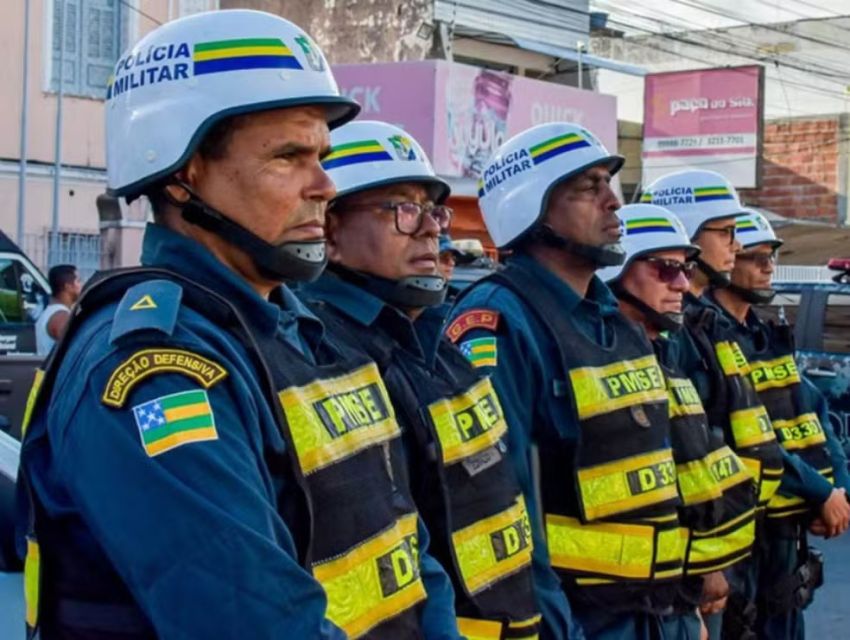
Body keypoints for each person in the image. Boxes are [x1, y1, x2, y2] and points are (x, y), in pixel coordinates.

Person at [17, 11, 459, 640]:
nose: (324, 186)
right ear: (181, 173)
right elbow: (254, 620)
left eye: (322, 157)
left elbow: (412, 554)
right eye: (288, 157)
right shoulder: (156, 371)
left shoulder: (316, 336)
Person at [300, 119, 542, 640]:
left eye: (433, 210)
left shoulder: (438, 341)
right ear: (330, 231)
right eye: (403, 210)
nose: (433, 228)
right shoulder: (322, 355)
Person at [447, 122, 687, 640]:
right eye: (588, 188)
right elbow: (496, 495)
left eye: (609, 184)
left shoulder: (612, 319)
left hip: (652, 610)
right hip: (575, 619)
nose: (613, 203)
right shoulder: (498, 320)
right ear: (529, 209)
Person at [598, 204, 760, 640]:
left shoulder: (664, 358)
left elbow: (695, 467)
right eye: (666, 269)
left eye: (685, 269)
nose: (683, 284)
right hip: (629, 603)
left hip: (681, 592)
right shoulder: (602, 368)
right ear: (617, 272)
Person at [708, 209, 850, 639]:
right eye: (756, 256)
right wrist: (820, 490)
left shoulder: (767, 336)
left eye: (772, 255)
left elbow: (815, 416)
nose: (768, 266)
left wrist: (839, 487)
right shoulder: (705, 339)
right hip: (743, 533)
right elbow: (745, 442)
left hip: (786, 538)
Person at [35, 265, 82, 355]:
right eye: (78, 281)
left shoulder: (51, 312)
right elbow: (76, 349)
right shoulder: (61, 316)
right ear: (68, 287)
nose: (81, 285)